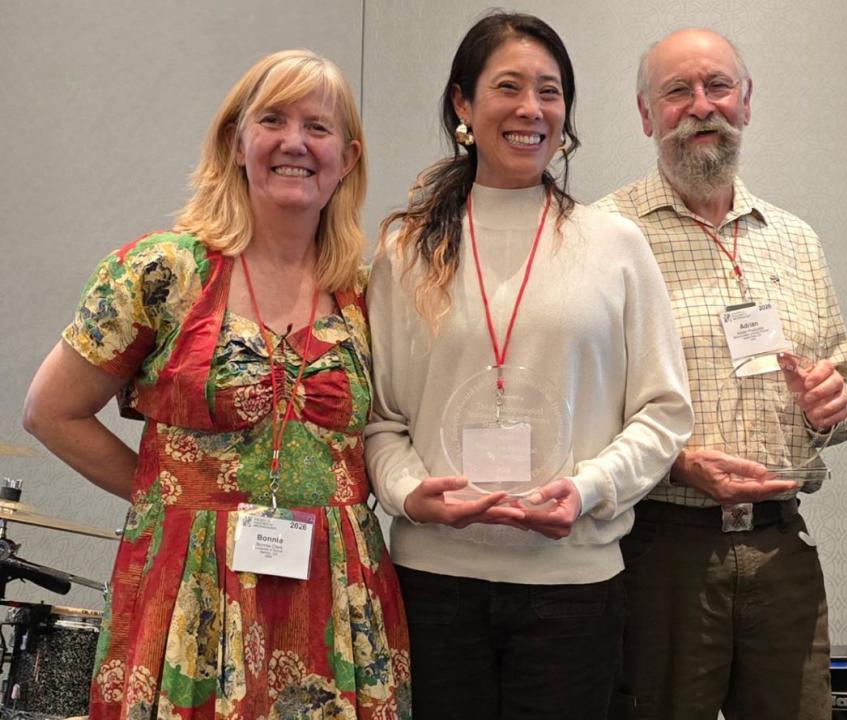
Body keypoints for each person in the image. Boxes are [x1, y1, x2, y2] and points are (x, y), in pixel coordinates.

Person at [22, 50, 410, 718]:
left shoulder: (371, 294)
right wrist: (168, 496)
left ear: (347, 158)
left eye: (317, 127)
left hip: (335, 598)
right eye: (272, 120)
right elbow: (51, 412)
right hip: (189, 593)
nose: (295, 142)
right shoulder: (160, 273)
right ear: (236, 141)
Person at [364, 12, 692, 720]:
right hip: (434, 582)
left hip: (573, 587)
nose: (531, 109)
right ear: (462, 103)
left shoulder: (615, 245)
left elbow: (664, 413)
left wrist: (589, 489)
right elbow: (381, 420)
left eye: (549, 91)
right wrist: (410, 494)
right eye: (508, 87)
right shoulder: (406, 251)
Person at [596, 28, 847, 720]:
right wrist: (675, 462)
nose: (701, 106)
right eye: (677, 91)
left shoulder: (795, 240)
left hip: (782, 547)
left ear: (746, 100)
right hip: (660, 550)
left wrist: (831, 407)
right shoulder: (602, 235)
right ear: (646, 114)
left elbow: (841, 389)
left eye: (717, 86)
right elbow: (579, 407)